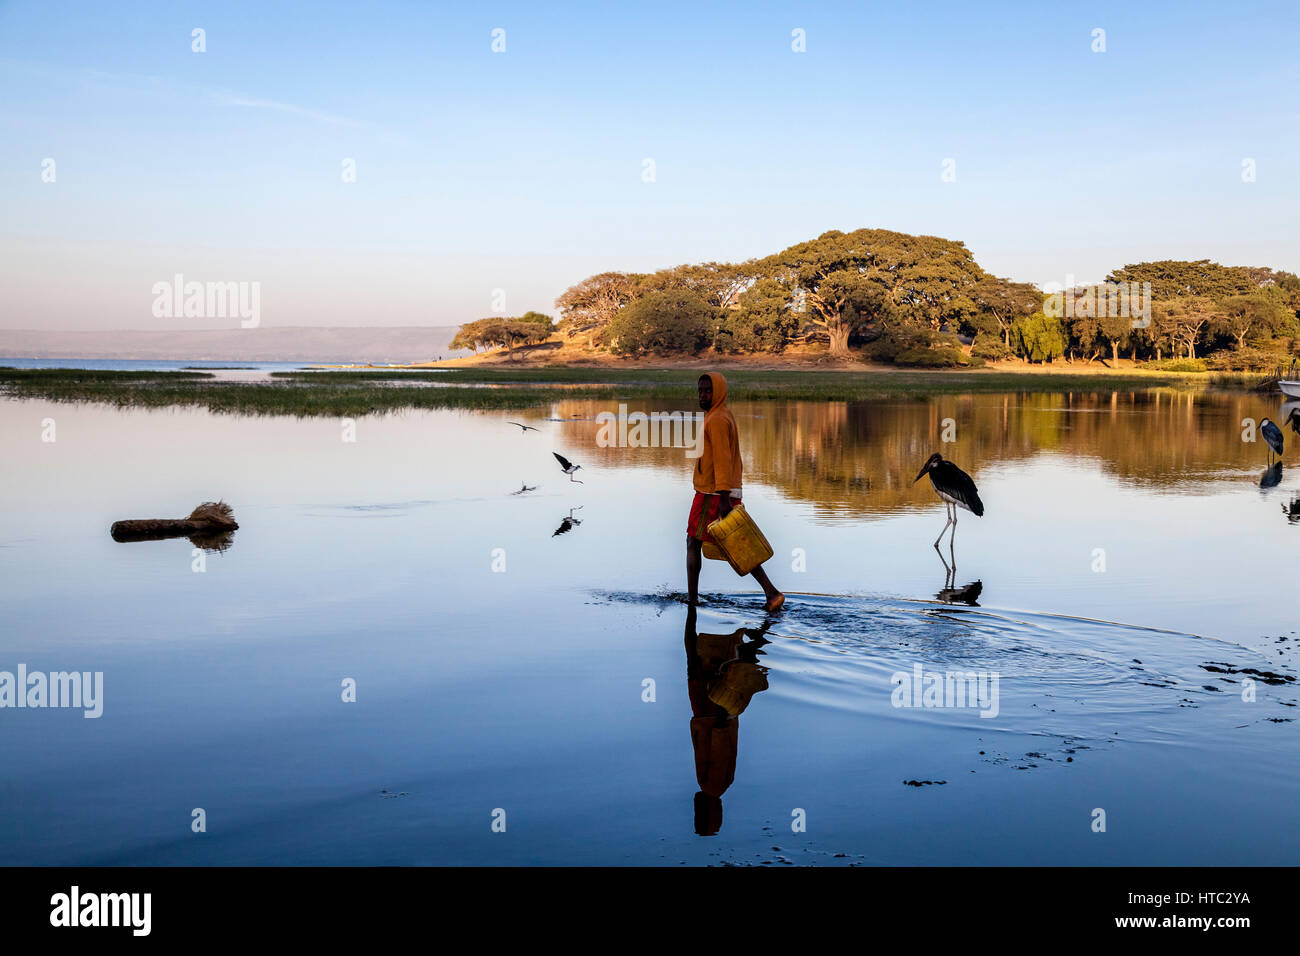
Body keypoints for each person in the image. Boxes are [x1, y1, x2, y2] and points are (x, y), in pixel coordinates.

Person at [686, 372, 785, 612]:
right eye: (700, 390)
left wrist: (723, 497)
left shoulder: (718, 419)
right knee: (734, 545)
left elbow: (722, 460)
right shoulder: (720, 415)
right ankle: (771, 593)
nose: (702, 395)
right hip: (718, 492)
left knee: (693, 542)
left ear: (718, 392)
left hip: (713, 494)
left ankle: (692, 600)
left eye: (708, 390)